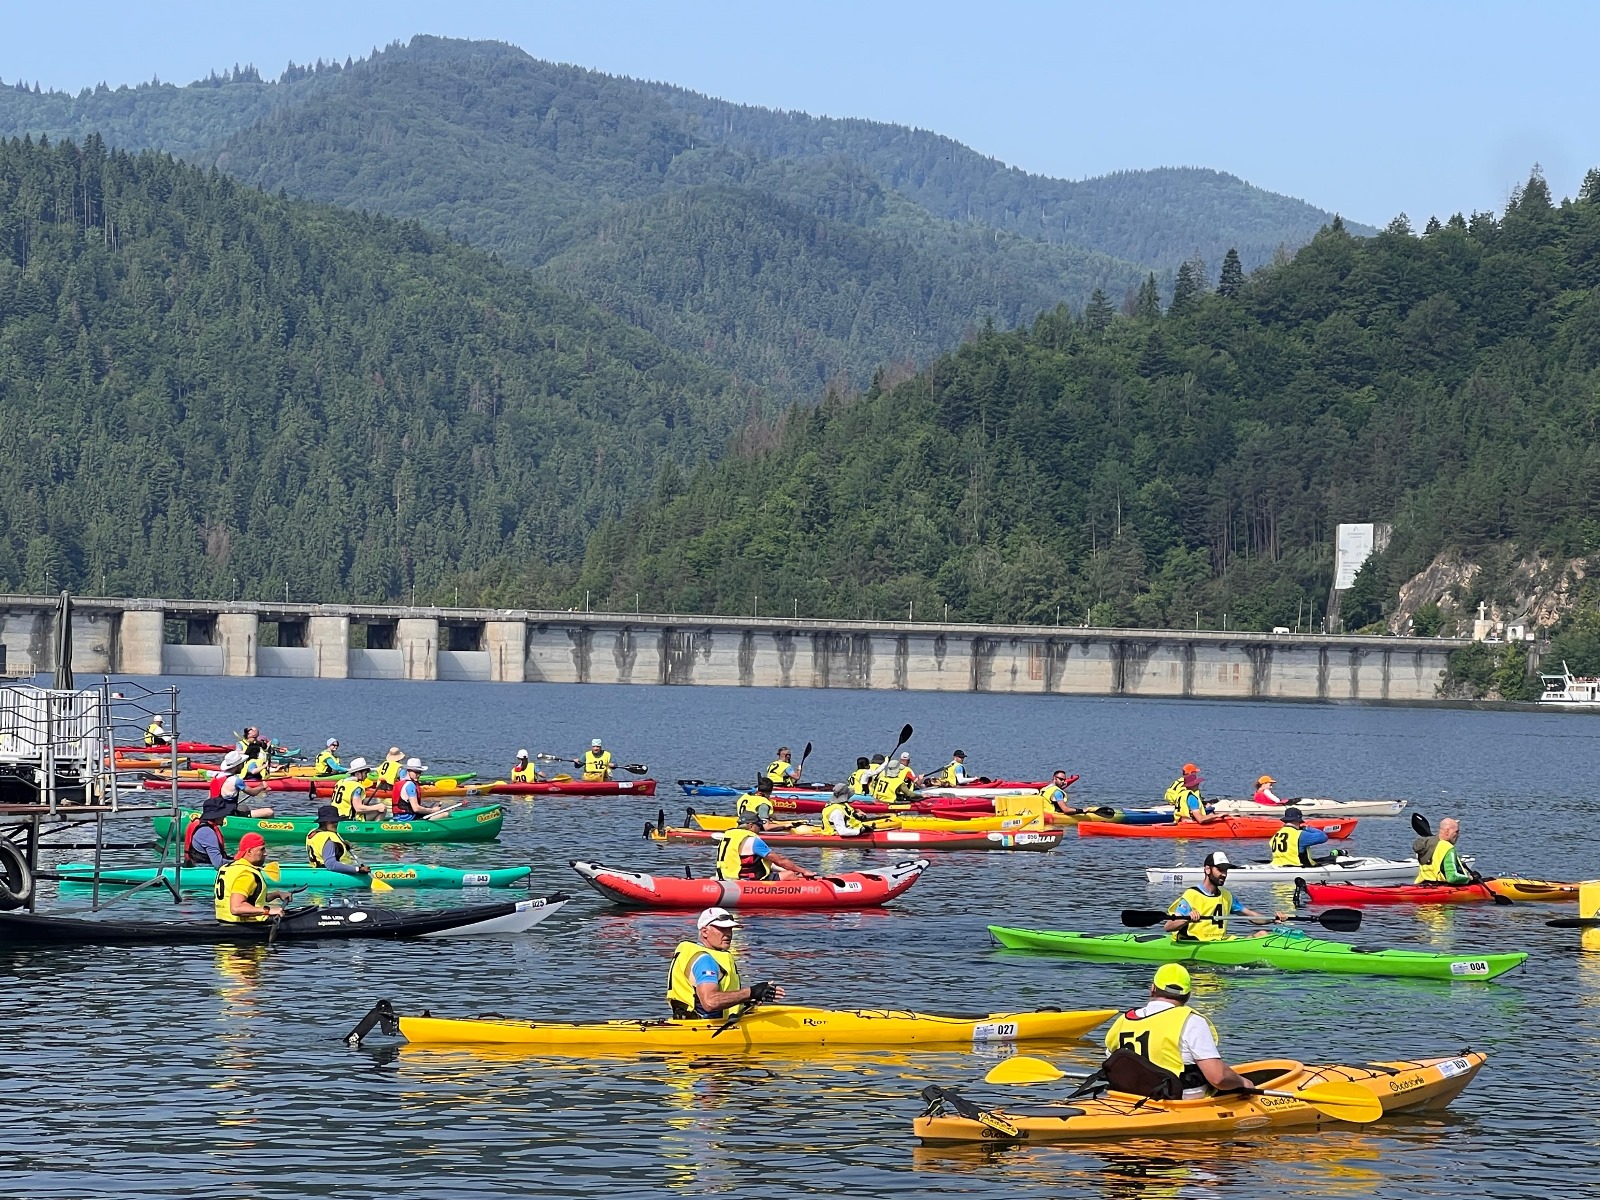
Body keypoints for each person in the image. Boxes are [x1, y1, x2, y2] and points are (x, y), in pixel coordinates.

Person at [1101, 964, 1253, 1099]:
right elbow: (1218, 1078)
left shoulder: (1123, 1020)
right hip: (1178, 1098)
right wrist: (1243, 1082)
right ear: (1188, 995)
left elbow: (1112, 1065)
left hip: (1130, 1095)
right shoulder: (1191, 1020)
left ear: (1152, 989)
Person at [666, 907, 785, 1019]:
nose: (728, 934)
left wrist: (744, 999)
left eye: (730, 929)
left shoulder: (695, 953)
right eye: (722, 929)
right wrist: (752, 992)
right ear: (705, 932)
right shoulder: (705, 960)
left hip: (691, 1022)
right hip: (707, 1028)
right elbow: (710, 1002)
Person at [1166, 851, 1286, 941]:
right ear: (1207, 870)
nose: (1224, 874)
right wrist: (1186, 919)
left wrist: (1272, 919)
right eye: (1220, 870)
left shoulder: (1226, 895)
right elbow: (1168, 926)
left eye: (1225, 870)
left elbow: (1250, 915)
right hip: (1195, 942)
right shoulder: (1191, 895)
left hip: (1220, 942)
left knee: (1262, 934)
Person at [213, 832, 287, 924]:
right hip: (244, 925)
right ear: (249, 852)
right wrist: (268, 911)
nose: (265, 853)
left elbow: (253, 899)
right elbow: (236, 908)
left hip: (224, 921)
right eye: (262, 850)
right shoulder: (246, 874)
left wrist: (277, 894)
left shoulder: (228, 867)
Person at [715, 813, 816, 881]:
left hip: (725, 877)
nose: (760, 828)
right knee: (790, 875)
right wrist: (803, 871)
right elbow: (780, 860)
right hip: (747, 881)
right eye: (758, 825)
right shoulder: (752, 840)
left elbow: (767, 863)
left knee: (788, 872)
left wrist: (789, 870)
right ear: (751, 825)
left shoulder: (728, 836)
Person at [307, 805, 370, 877]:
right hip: (331, 874)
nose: (336, 823)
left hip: (316, 871)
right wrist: (358, 869)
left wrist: (339, 847)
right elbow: (331, 865)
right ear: (323, 822)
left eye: (336, 821)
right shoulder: (328, 839)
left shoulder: (313, 833)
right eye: (332, 821)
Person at [1268, 807, 1334, 868]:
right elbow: (1323, 837)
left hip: (1277, 866)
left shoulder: (1276, 835)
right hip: (1297, 867)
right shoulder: (1299, 834)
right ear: (1298, 821)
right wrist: (1307, 828)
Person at [1415, 817, 1472, 885]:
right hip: (1440, 886)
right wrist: (1469, 878)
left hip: (1422, 884)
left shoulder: (1427, 844)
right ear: (1447, 832)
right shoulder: (1447, 847)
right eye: (1456, 832)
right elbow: (1452, 878)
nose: (1458, 835)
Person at [182, 795, 235, 867]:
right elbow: (218, 863)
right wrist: (239, 863)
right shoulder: (207, 832)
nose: (225, 816)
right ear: (217, 816)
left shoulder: (203, 827)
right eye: (223, 814)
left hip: (195, 865)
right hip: (202, 868)